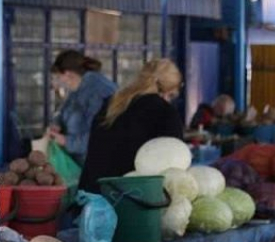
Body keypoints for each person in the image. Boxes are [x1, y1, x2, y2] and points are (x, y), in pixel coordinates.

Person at [79, 59, 185, 194]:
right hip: (132, 200)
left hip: (93, 195)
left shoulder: (111, 105)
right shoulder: (165, 113)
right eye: (171, 95)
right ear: (166, 91)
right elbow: (174, 169)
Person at [45, 50, 117, 165]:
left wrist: (66, 141)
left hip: (97, 163)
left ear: (69, 74)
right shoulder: (78, 87)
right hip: (80, 163)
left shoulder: (97, 92)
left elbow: (98, 136)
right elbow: (64, 111)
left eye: (58, 77)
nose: (56, 84)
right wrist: (56, 124)